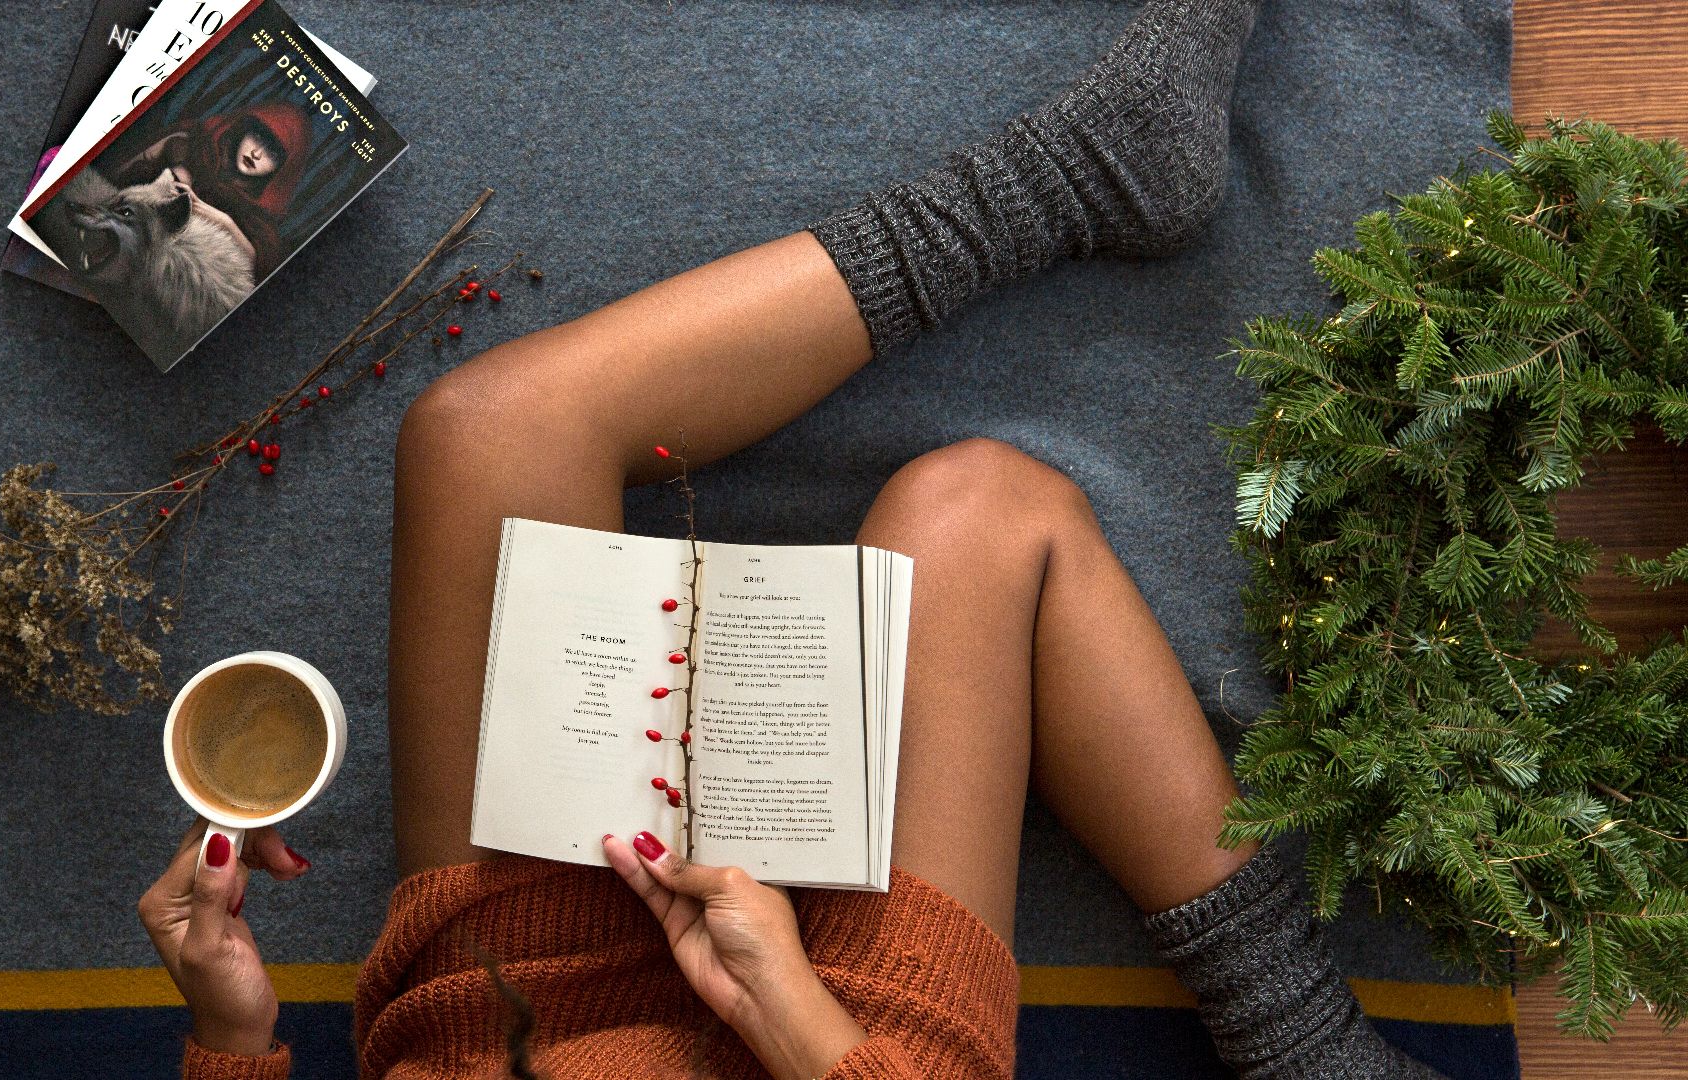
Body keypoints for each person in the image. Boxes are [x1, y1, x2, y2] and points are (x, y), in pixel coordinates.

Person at [138, 1, 1445, 1076]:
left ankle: (1078, 180)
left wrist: (230, 1035)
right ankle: (1306, 1042)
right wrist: (795, 1020)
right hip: (837, 1051)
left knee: (486, 430)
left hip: (511, 1016)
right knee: (983, 509)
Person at [112, 102, 313, 280]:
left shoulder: (258, 218)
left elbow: (258, 271)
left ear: (282, 169)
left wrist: (225, 222)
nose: (256, 153)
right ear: (245, 129)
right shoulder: (198, 145)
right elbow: (121, 173)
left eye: (272, 152)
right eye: (257, 136)